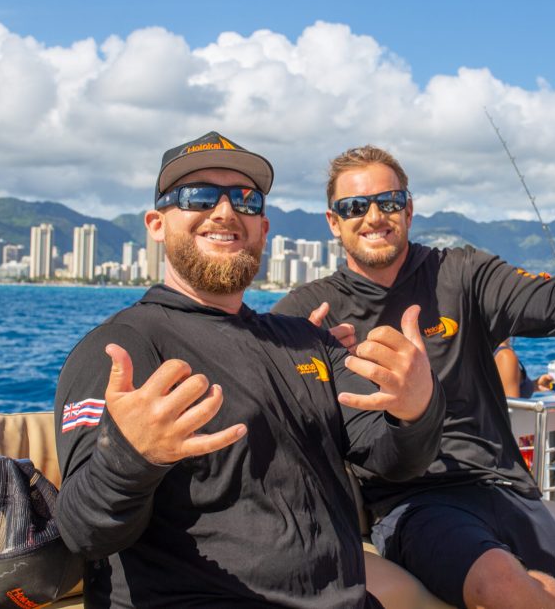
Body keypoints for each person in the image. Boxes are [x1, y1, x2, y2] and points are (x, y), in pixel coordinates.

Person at [272, 145, 555, 609]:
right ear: (333, 221)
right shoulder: (308, 314)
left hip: (507, 488)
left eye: (389, 202)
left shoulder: (461, 274)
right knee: (504, 587)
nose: (374, 216)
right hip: (414, 503)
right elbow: (249, 374)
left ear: (409, 210)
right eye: (355, 206)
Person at [54, 132, 446, 608]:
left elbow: (396, 461)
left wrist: (415, 407)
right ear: (157, 225)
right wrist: (131, 457)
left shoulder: (309, 341)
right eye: (198, 196)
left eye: (245, 199)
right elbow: (83, 533)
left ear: (262, 228)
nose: (225, 212)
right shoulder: (121, 351)